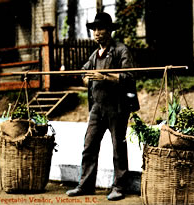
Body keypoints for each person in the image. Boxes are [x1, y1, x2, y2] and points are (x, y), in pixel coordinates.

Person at [66, 12, 140, 201]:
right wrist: (88, 79)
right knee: (89, 146)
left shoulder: (121, 50)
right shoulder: (94, 55)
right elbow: (83, 73)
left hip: (117, 108)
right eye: (94, 29)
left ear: (109, 31)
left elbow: (130, 77)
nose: (97, 33)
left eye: (101, 29)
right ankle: (86, 185)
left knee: (118, 148)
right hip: (96, 109)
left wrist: (105, 77)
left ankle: (119, 187)